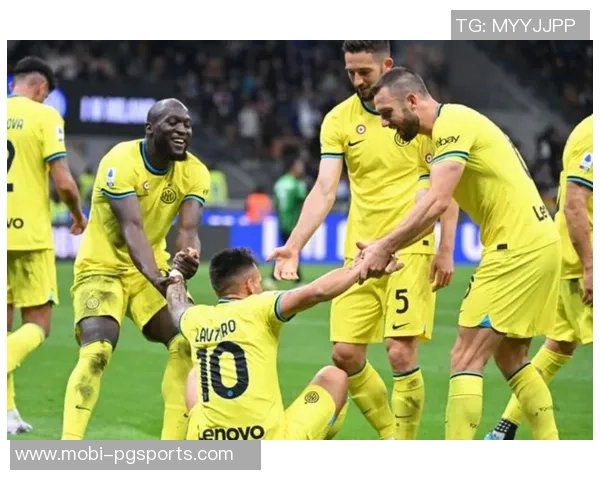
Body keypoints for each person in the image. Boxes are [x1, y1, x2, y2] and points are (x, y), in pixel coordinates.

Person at [267, 41, 459, 440]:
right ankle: (391, 434)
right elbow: (324, 189)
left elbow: (446, 189)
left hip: (410, 248)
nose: (356, 80)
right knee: (345, 353)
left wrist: (445, 250)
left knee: (400, 350)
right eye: (350, 72)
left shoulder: (417, 114)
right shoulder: (338, 120)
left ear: (386, 65)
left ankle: (402, 445)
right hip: (358, 252)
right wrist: (295, 244)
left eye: (364, 72)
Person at [359, 66, 562, 440]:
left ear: (412, 100)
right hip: (538, 243)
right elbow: (430, 204)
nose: (384, 123)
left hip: (516, 249)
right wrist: (397, 246)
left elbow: (437, 201)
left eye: (387, 113)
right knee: (511, 358)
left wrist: (384, 247)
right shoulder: (435, 139)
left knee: (465, 357)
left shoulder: (453, 123)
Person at [60, 98, 211, 441]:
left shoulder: (195, 171)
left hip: (152, 269)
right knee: (97, 351)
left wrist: (188, 256)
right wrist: (159, 278)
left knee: (186, 343)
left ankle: (171, 449)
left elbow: (188, 230)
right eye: (172, 123)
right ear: (150, 129)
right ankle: (69, 448)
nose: (182, 131)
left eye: (187, 125)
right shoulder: (120, 161)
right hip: (102, 267)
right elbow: (133, 229)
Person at [166, 247, 400, 440]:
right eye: (259, 283)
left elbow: (176, 305)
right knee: (334, 377)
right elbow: (317, 291)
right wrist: (360, 267)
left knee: (195, 375)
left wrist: (178, 272)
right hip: (267, 445)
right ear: (250, 285)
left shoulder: (196, 318)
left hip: (209, 444)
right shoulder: (260, 307)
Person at [485, 114, 593, 440]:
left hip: (573, 259)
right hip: (582, 262)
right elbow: (574, 204)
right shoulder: (592, 134)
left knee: (559, 345)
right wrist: (590, 266)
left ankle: (503, 430)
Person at [7, 56, 87, 435]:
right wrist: (77, 215)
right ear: (41, 88)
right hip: (29, 235)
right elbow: (65, 182)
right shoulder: (44, 116)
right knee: (38, 324)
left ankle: (7, 412)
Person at [272, 156, 307, 283]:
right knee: (293, 249)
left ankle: (275, 277)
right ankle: (295, 279)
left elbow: (275, 204)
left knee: (287, 248)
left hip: (282, 221)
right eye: (299, 165)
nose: (301, 168)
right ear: (293, 167)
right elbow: (304, 202)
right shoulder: (297, 184)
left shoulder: (279, 183)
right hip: (294, 223)